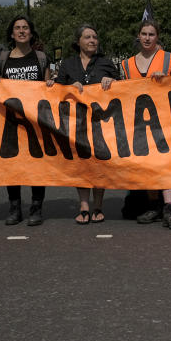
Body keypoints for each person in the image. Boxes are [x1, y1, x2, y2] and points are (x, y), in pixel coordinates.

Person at [120, 20, 171, 230]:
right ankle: (154, 205)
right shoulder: (127, 64)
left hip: (163, 120)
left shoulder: (168, 58)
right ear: (138, 36)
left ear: (157, 37)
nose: (147, 38)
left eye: (151, 34)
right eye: (144, 34)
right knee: (147, 166)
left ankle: (170, 208)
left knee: (164, 165)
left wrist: (166, 79)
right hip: (139, 123)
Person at [0, 16, 52, 226]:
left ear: (31, 33)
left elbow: (47, 86)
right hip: (11, 120)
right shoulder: (3, 58)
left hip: (35, 120)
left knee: (36, 165)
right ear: (11, 34)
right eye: (17, 28)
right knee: (13, 165)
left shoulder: (41, 57)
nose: (22, 31)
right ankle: (15, 207)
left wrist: (51, 83)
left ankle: (36, 207)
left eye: (26, 28)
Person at [57, 24, 118, 224]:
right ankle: (84, 205)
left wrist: (113, 82)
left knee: (99, 164)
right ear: (78, 41)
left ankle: (98, 205)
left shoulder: (106, 63)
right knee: (81, 164)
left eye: (94, 37)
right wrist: (68, 87)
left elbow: (126, 90)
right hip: (77, 122)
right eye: (87, 37)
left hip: (102, 123)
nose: (92, 40)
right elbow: (56, 91)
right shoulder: (67, 64)